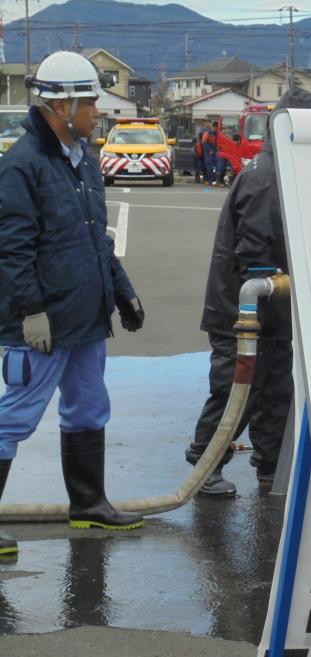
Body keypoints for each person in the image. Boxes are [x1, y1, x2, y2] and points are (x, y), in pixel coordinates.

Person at [0, 51, 146, 558]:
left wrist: (121, 291)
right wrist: (30, 311)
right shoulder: (23, 165)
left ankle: (88, 505)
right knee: (14, 417)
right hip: (44, 321)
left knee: (88, 407)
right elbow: (12, 249)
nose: (98, 111)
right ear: (60, 105)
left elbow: (96, 240)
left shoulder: (83, 160)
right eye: (90, 102)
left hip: (86, 316)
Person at [187, 87, 311, 497]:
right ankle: (206, 463)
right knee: (236, 389)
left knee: (277, 390)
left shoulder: (279, 170)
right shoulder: (265, 177)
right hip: (243, 312)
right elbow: (253, 253)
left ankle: (271, 465)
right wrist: (274, 292)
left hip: (270, 314)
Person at [201, 119, 218, 185]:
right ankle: (209, 180)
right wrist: (209, 151)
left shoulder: (216, 134)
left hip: (215, 153)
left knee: (215, 168)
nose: (216, 129)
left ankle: (213, 180)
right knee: (209, 167)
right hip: (208, 153)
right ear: (213, 127)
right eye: (216, 128)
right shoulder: (207, 133)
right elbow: (204, 143)